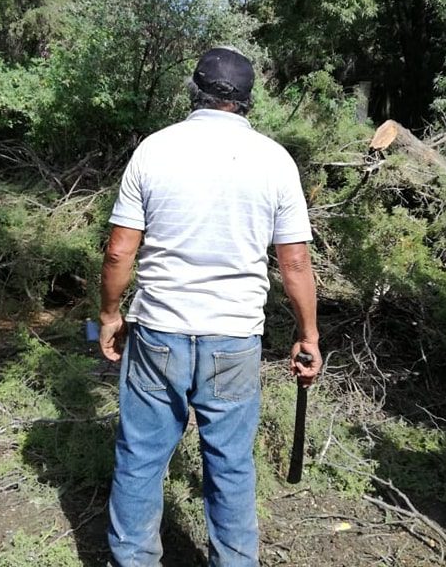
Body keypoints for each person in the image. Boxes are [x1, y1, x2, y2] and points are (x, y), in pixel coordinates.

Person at [98, 47, 322, 567]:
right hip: (234, 340)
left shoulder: (154, 150)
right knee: (231, 464)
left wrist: (111, 315)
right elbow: (294, 263)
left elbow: (118, 249)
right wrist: (308, 334)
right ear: (247, 100)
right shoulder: (275, 160)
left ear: (193, 89)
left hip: (158, 333)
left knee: (140, 458)